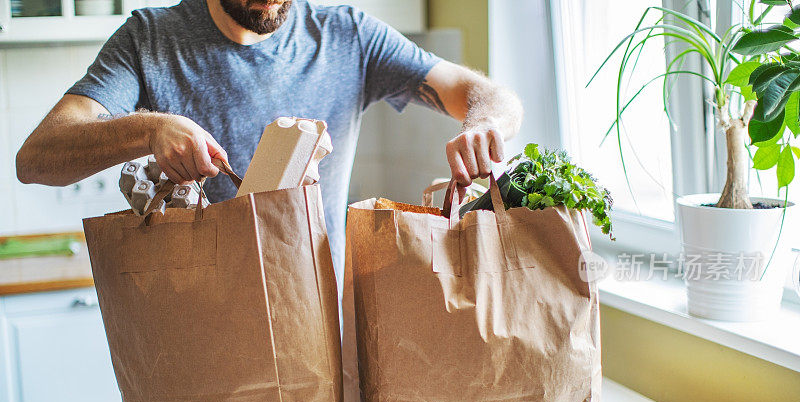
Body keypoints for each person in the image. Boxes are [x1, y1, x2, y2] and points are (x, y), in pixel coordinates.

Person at [15, 0, 523, 282]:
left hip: (325, 328)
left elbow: (488, 95)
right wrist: (149, 128)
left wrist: (484, 125)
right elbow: (38, 157)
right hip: (205, 338)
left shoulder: (348, 36)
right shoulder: (150, 39)